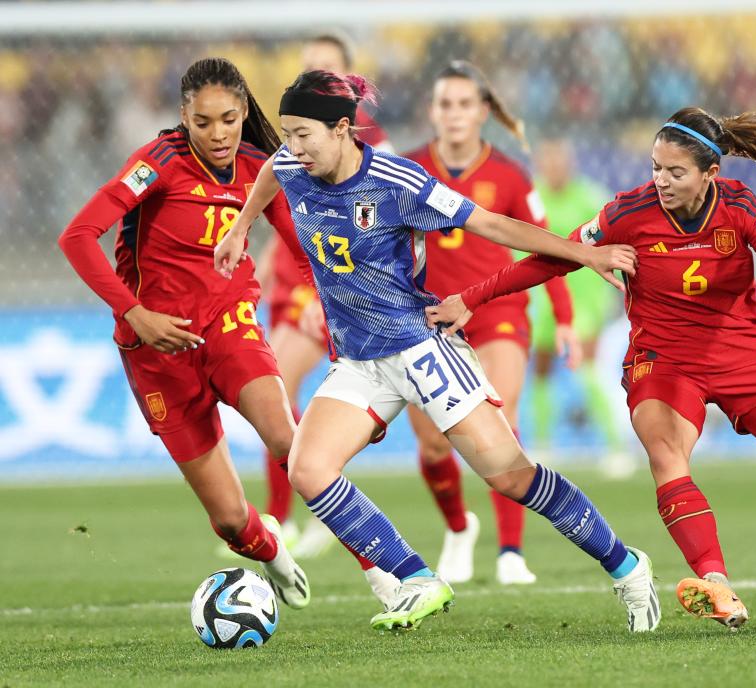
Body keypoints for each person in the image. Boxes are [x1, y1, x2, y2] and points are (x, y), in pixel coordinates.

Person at [427, 106, 756, 628]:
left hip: (745, 358)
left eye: (675, 172)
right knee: (667, 457)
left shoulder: (741, 206)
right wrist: (471, 297)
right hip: (662, 362)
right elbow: (554, 257)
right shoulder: (627, 213)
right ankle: (716, 583)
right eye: (655, 168)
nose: (661, 181)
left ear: (710, 172)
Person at [214, 70, 659, 633]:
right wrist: (241, 226)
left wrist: (583, 254)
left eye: (303, 134)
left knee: (511, 476)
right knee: (309, 468)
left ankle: (627, 567)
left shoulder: (397, 181)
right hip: (360, 361)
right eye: (287, 134)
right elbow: (268, 174)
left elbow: (492, 224)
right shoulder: (291, 164)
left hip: (420, 349)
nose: (292, 147)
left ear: (342, 129)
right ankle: (416, 577)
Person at [57, 57, 310, 610]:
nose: (218, 134)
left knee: (290, 445)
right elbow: (77, 237)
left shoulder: (261, 169)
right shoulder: (157, 164)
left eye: (228, 120)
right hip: (156, 353)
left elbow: (302, 248)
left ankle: (388, 571)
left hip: (229, 325)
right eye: (203, 122)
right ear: (183, 116)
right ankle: (272, 551)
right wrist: (137, 315)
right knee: (230, 521)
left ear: (243, 113)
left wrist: (333, 308)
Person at [400, 61, 577, 585]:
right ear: (432, 111)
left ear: (482, 112)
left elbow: (545, 247)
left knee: (501, 417)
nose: (454, 113)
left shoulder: (510, 175)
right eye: (445, 104)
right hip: (427, 316)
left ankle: (511, 552)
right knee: (435, 444)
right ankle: (459, 528)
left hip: (496, 310)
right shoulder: (406, 170)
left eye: (464, 104)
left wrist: (564, 317)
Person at [254, 32, 395, 565]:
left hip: (331, 282)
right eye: (309, 67)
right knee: (279, 393)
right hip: (294, 273)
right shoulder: (298, 138)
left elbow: (377, 231)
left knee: (278, 386)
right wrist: (262, 262)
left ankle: (298, 509)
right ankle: (302, 507)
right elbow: (288, 201)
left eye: (327, 69)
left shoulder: (373, 146)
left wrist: (333, 290)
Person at [529, 137, 632, 477]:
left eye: (560, 161)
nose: (554, 168)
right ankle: (543, 445)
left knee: (585, 367)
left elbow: (615, 241)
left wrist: (612, 292)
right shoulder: (532, 197)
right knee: (541, 370)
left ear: (570, 164)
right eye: (548, 162)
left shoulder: (589, 198)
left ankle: (616, 447)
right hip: (543, 298)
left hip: (584, 301)